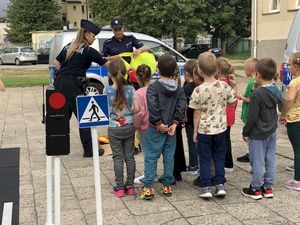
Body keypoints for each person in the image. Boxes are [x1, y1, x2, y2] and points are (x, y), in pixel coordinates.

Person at [53, 19, 109, 158]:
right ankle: (89, 150)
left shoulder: (69, 46)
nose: (94, 38)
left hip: (59, 82)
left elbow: (56, 62)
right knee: (84, 117)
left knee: (62, 116)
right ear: (86, 34)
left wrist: (66, 73)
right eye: (93, 36)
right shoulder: (89, 51)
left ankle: (57, 146)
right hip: (72, 85)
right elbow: (106, 64)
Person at [189, 52, 237, 199]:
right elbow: (232, 102)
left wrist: (195, 131)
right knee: (219, 157)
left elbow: (196, 113)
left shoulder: (197, 90)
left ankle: (206, 187)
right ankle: (220, 185)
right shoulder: (224, 86)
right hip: (221, 129)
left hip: (204, 130)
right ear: (217, 69)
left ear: (199, 71)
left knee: (204, 158)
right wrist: (234, 86)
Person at [140, 54, 186, 200]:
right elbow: (181, 105)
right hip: (171, 129)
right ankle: (167, 185)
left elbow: (152, 107)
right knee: (169, 157)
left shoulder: (153, 88)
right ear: (174, 71)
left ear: (157, 70)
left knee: (151, 156)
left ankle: (148, 187)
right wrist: (175, 123)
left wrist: (158, 123)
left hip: (155, 128)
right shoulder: (178, 88)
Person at [242, 58, 283, 200]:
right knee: (270, 159)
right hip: (272, 131)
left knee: (257, 160)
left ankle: (255, 189)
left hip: (258, 133)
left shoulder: (256, 94)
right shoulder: (276, 90)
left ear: (258, 74)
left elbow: (252, 117)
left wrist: (245, 132)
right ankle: (268, 187)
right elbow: (282, 105)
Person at [103, 59, 140, 197]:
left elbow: (103, 111)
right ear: (125, 72)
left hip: (114, 128)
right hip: (129, 127)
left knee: (117, 158)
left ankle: (119, 187)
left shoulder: (106, 90)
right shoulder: (131, 89)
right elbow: (137, 109)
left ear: (110, 74)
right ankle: (130, 186)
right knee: (129, 157)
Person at [280, 52, 300, 191]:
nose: (288, 68)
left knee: (298, 150)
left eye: (289, 65)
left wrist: (283, 114)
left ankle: (297, 180)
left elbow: (290, 99)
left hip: (295, 119)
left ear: (296, 66)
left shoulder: (294, 82)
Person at [217, 58, 238, 173]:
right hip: (229, 115)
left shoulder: (221, 83)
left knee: (223, 141)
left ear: (218, 70)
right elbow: (234, 101)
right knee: (227, 139)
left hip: (223, 116)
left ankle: (227, 163)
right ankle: (228, 163)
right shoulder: (230, 82)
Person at [236, 58, 259, 163]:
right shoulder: (257, 81)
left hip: (249, 112)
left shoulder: (252, 82)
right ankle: (251, 152)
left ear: (250, 70)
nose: (244, 70)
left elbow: (251, 99)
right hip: (254, 113)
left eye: (245, 68)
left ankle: (250, 154)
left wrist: (242, 98)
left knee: (248, 134)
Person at [133, 64, 152, 184]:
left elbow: (138, 113)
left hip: (144, 127)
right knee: (155, 152)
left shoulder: (138, 93)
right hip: (157, 125)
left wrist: (135, 127)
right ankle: (153, 172)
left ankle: (148, 174)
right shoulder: (156, 89)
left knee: (147, 152)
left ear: (137, 78)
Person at [183, 59, 199, 176]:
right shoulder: (199, 85)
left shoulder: (187, 87)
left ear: (186, 72)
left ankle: (193, 165)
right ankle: (197, 163)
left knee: (191, 142)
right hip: (198, 119)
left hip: (190, 120)